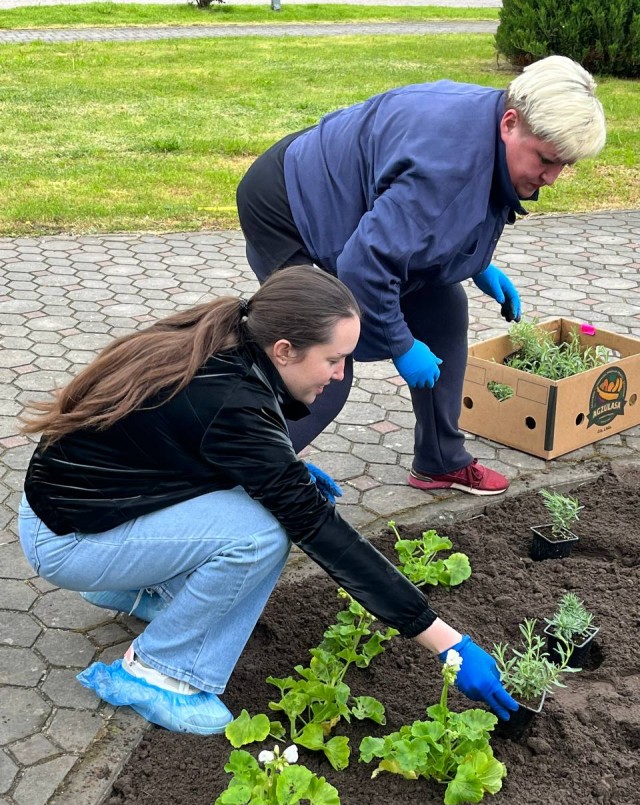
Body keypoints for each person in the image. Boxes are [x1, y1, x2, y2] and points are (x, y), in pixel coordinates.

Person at [18, 267, 517, 736]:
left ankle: (142, 591)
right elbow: (322, 533)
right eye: (334, 359)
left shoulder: (232, 336)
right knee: (261, 534)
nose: (340, 374)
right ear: (284, 350)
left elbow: (180, 446)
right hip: (70, 539)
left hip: (86, 510)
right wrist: (445, 642)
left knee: (259, 505)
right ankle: (159, 671)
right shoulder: (231, 398)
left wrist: (280, 470)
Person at [237, 55, 606, 495]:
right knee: (324, 349)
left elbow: (432, 221)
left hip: (350, 204)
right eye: (546, 159)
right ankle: (240, 480)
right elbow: (365, 266)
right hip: (286, 203)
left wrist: (474, 262)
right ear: (510, 123)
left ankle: (440, 460)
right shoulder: (448, 167)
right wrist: (401, 344)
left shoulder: (497, 124)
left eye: (565, 164)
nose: (553, 178)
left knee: (444, 308)